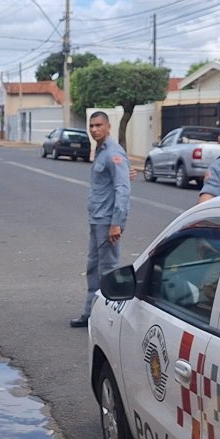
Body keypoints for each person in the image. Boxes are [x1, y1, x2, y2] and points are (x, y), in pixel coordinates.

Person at [70, 111, 131, 328]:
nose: (94, 130)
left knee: (107, 270)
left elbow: (122, 188)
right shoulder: (102, 151)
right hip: (97, 218)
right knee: (93, 267)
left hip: (107, 221)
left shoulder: (113, 152)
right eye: (91, 126)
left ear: (108, 127)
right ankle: (90, 313)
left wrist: (116, 223)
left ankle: (107, 319)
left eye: (98, 125)